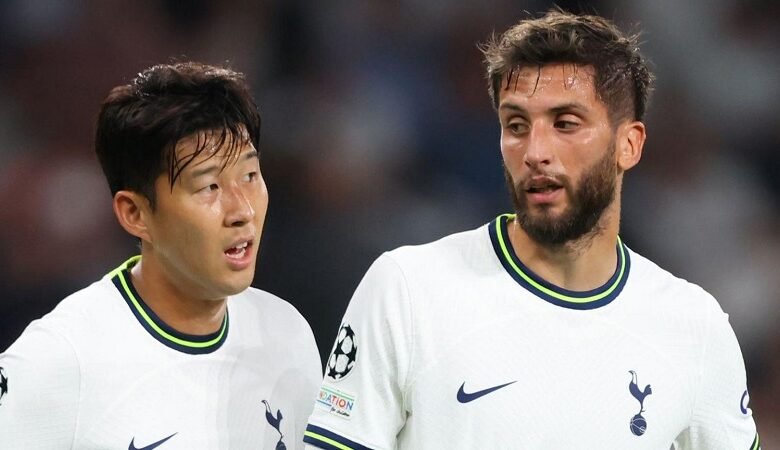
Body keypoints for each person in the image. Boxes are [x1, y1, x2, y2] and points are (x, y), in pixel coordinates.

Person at [303, 10, 761, 450]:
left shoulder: (694, 327)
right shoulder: (406, 289)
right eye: (516, 125)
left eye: (565, 123)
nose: (535, 151)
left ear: (629, 144)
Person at [0, 62, 321, 449]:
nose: (243, 211)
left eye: (250, 176)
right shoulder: (60, 360)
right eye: (209, 186)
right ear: (135, 214)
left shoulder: (288, 335)